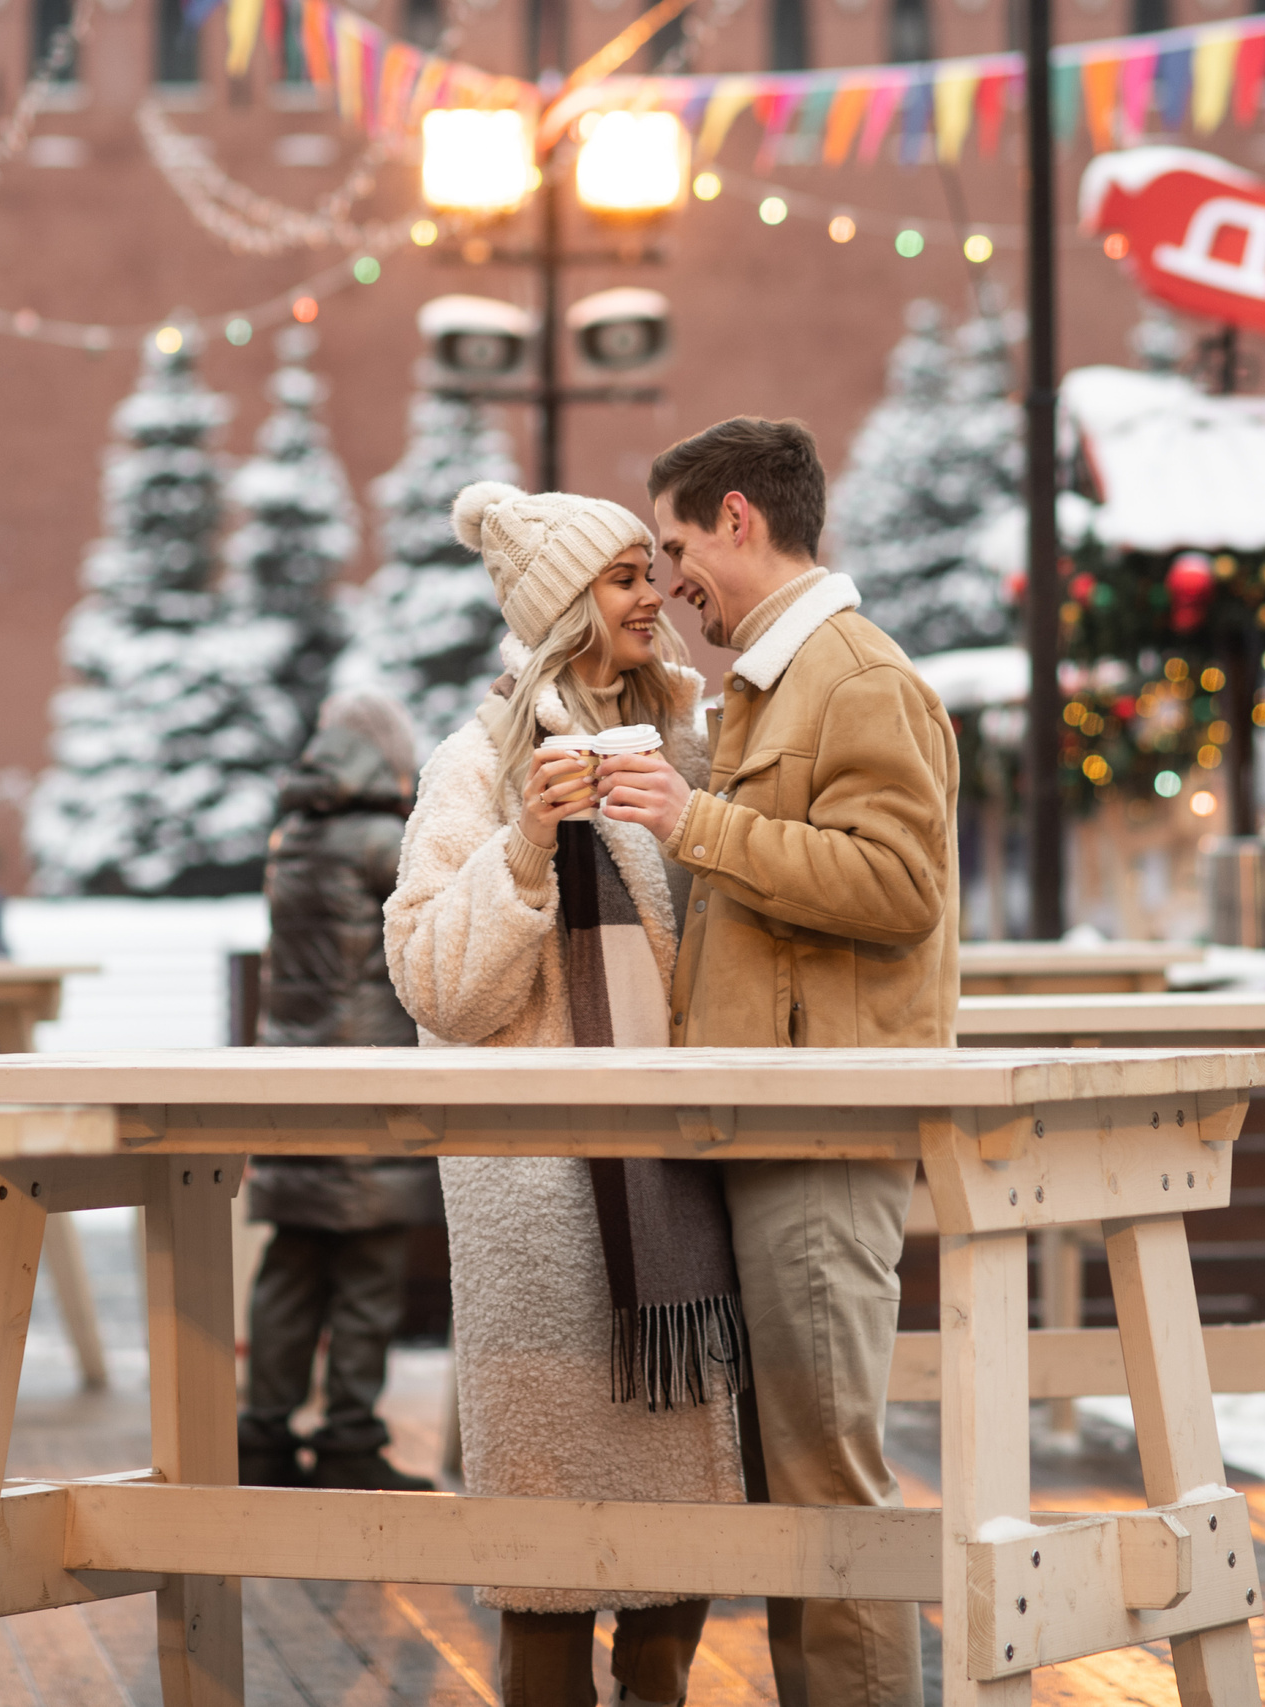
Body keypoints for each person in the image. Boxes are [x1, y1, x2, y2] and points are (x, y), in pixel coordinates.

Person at [588, 417, 958, 1707]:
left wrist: (700, 824)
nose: (672, 575)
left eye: (678, 544)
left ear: (739, 518)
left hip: (821, 1130)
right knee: (788, 1478)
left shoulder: (855, 679)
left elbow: (899, 888)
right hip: (767, 1127)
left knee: (821, 1481)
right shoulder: (781, 680)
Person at [382, 483, 739, 1707]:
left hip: (679, 1185)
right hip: (537, 1202)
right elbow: (431, 979)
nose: (656, 597)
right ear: (561, 611)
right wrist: (523, 849)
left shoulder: (690, 745)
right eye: (625, 578)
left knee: (681, 1537)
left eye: (654, 572)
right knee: (545, 1550)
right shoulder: (477, 765)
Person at [239, 692, 443, 1493]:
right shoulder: (380, 843)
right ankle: (350, 1439)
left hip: (293, 1082)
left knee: (290, 1262)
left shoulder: (294, 838)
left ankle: (262, 1435)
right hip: (366, 1086)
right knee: (367, 1268)